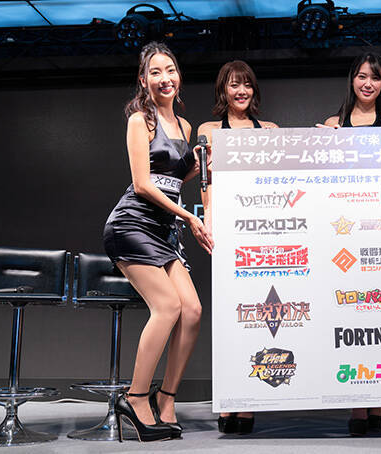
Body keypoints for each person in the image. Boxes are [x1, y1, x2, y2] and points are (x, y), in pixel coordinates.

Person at [103, 41, 213, 442]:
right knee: (167, 307)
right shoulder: (140, 120)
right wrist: (189, 216)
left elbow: (172, 177)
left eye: (170, 70)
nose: (165, 79)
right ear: (143, 79)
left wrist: (196, 169)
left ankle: (166, 399)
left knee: (193, 311)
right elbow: (143, 184)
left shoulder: (185, 126)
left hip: (164, 230)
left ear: (178, 76)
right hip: (132, 224)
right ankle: (134, 399)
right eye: (155, 72)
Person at [321, 52, 381, 436]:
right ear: (352, 79)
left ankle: (378, 399)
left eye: (376, 77)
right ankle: (357, 401)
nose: (368, 83)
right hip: (345, 230)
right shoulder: (333, 124)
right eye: (362, 76)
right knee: (351, 315)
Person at [198, 60, 278, 435]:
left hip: (264, 234)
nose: (241, 91)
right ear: (223, 91)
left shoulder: (270, 130)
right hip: (229, 232)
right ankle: (229, 399)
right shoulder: (209, 131)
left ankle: (248, 403)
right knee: (231, 320)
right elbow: (205, 184)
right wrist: (209, 221)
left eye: (246, 84)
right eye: (233, 85)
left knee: (260, 319)